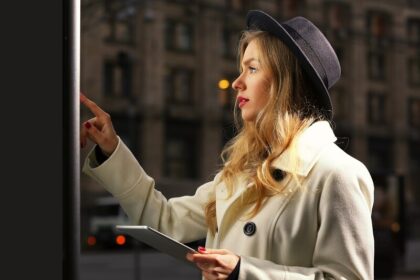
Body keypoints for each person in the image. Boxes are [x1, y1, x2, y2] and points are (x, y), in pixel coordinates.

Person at [80, 10, 374, 280]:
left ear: (287, 82)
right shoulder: (245, 170)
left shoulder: (338, 173)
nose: (237, 82)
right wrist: (111, 148)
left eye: (252, 68)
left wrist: (244, 273)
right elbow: (164, 219)